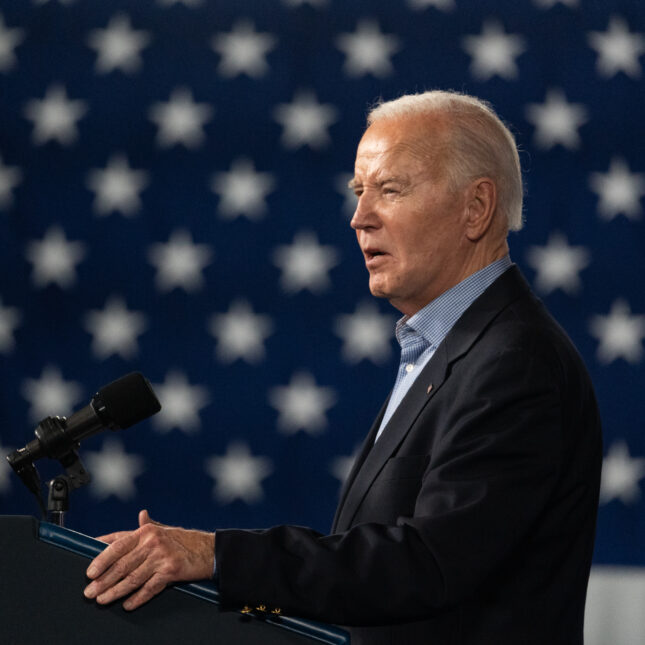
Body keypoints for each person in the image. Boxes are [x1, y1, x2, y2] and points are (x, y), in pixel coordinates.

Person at [84, 90, 602, 645]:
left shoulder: (514, 362)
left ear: (475, 208)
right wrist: (228, 604)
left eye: (389, 190)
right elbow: (368, 592)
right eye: (360, 192)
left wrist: (217, 557)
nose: (360, 218)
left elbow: (428, 565)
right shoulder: (449, 350)